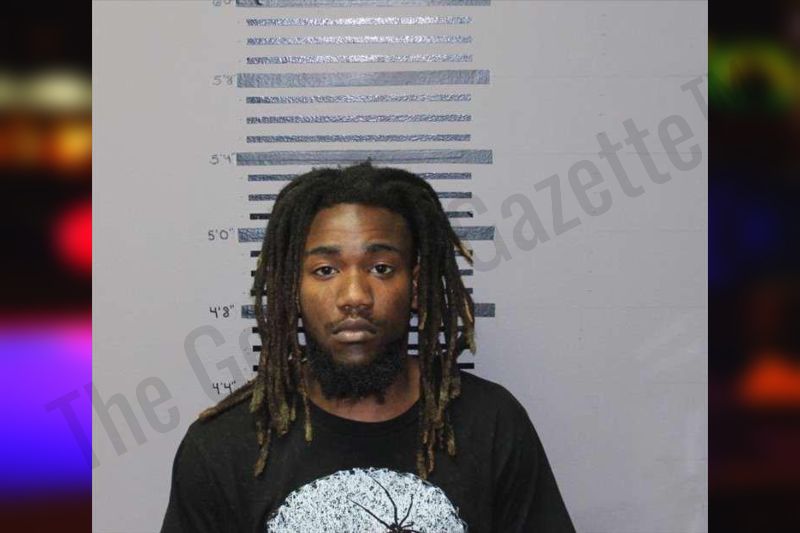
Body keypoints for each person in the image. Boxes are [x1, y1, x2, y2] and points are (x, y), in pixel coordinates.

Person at [161, 161, 575, 532]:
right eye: (326, 270)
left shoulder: (492, 424)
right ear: (293, 289)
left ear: (415, 285)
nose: (355, 296)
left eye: (381, 268)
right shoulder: (222, 446)